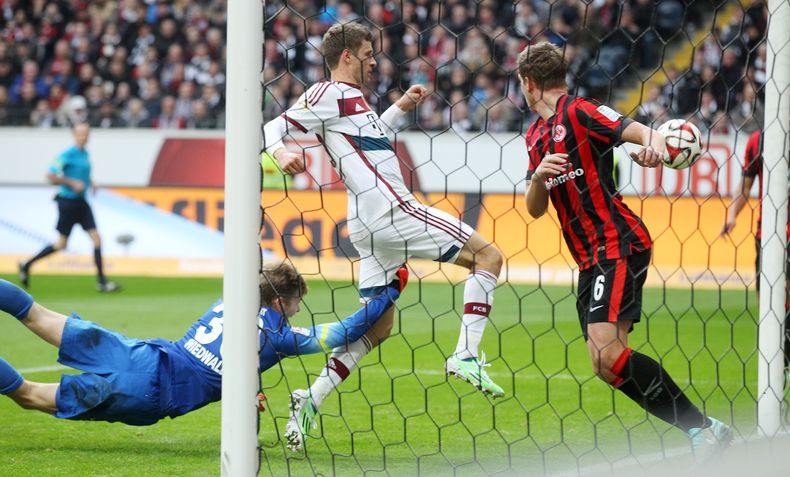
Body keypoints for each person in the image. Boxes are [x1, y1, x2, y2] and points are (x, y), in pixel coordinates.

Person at [262, 22, 505, 451]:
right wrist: (281, 152)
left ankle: (310, 399)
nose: (374, 61)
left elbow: (371, 138)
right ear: (347, 56)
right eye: (367, 53)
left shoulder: (353, 101)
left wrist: (401, 107)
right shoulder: (328, 93)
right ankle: (465, 354)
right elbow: (271, 127)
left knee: (377, 328)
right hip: (392, 210)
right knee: (489, 257)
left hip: (369, 225)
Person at [518, 42, 732, 461]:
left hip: (617, 242)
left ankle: (703, 431)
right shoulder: (535, 136)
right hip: (588, 259)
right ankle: (704, 430)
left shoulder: (580, 112)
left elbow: (636, 130)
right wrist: (538, 179)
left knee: (606, 351)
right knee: (604, 364)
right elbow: (535, 209)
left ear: (528, 83)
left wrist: (655, 147)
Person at [0, 262, 407, 426]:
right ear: (279, 302)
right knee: (28, 395)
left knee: (37, 313)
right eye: (297, 302)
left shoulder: (229, 298)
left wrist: (247, 386)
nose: (299, 309)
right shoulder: (278, 336)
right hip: (147, 392)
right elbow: (347, 331)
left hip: (143, 353)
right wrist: (391, 290)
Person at [18, 123, 121, 293]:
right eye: (80, 134)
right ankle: (27, 264)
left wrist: (92, 182)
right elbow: (50, 175)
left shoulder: (85, 154)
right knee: (61, 244)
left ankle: (102, 282)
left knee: (97, 239)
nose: (83, 137)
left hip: (82, 203)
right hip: (67, 203)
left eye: (86, 134)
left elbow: (83, 174)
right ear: (74, 135)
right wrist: (72, 183)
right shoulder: (66, 155)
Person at [720, 130, 790, 371]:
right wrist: (732, 215)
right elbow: (745, 185)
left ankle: (782, 359)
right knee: (768, 302)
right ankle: (777, 365)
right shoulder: (757, 141)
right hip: (768, 235)